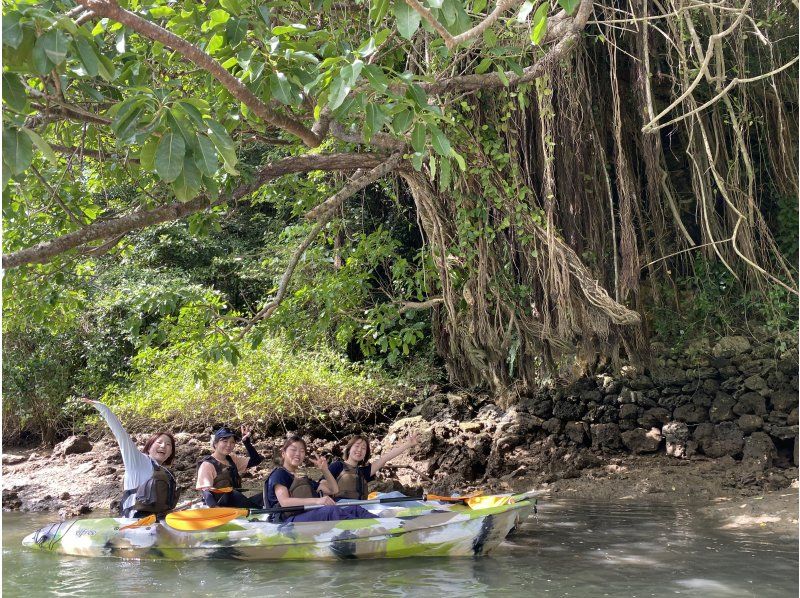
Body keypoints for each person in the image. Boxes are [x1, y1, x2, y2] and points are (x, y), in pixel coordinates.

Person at [81, 398, 179, 519]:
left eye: (168, 444)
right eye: (159, 442)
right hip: (134, 521)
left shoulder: (166, 472)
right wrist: (102, 407)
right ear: (149, 447)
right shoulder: (137, 460)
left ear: (171, 453)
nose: (164, 446)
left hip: (158, 523)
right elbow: (121, 434)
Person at [263, 436, 373, 523]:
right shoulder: (279, 474)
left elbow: (333, 490)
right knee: (330, 511)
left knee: (355, 508)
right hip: (286, 522)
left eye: (302, 451)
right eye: (293, 450)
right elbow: (285, 502)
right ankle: (365, 530)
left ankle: (382, 524)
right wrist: (318, 501)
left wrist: (325, 470)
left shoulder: (303, 479)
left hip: (303, 516)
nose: (298, 454)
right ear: (283, 453)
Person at [321, 433, 419, 500]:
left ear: (365, 454)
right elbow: (322, 485)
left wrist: (408, 444)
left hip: (360, 507)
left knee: (396, 495)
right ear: (349, 448)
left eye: (363, 448)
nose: (359, 450)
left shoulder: (364, 472)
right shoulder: (337, 466)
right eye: (357, 446)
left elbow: (386, 457)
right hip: (340, 506)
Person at [196, 426, 264, 508]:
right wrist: (215, 508)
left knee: (268, 493)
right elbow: (206, 492)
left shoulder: (232, 459)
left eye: (232, 442)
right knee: (232, 494)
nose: (229, 445)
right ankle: (255, 509)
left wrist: (246, 442)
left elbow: (256, 460)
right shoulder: (207, 465)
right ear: (215, 443)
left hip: (236, 504)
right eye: (225, 441)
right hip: (221, 506)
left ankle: (256, 509)